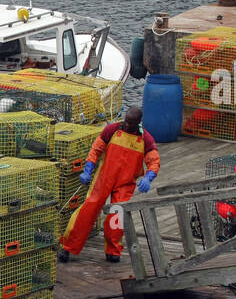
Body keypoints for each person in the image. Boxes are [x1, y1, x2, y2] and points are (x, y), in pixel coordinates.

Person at [57, 106, 160, 264]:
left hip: (125, 184)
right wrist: (88, 169)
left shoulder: (146, 139)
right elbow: (96, 149)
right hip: (104, 178)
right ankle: (67, 247)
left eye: (130, 123)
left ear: (138, 123)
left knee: (116, 216)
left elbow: (154, 161)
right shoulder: (112, 129)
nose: (126, 125)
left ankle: (113, 251)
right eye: (126, 121)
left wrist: (148, 177)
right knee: (88, 211)